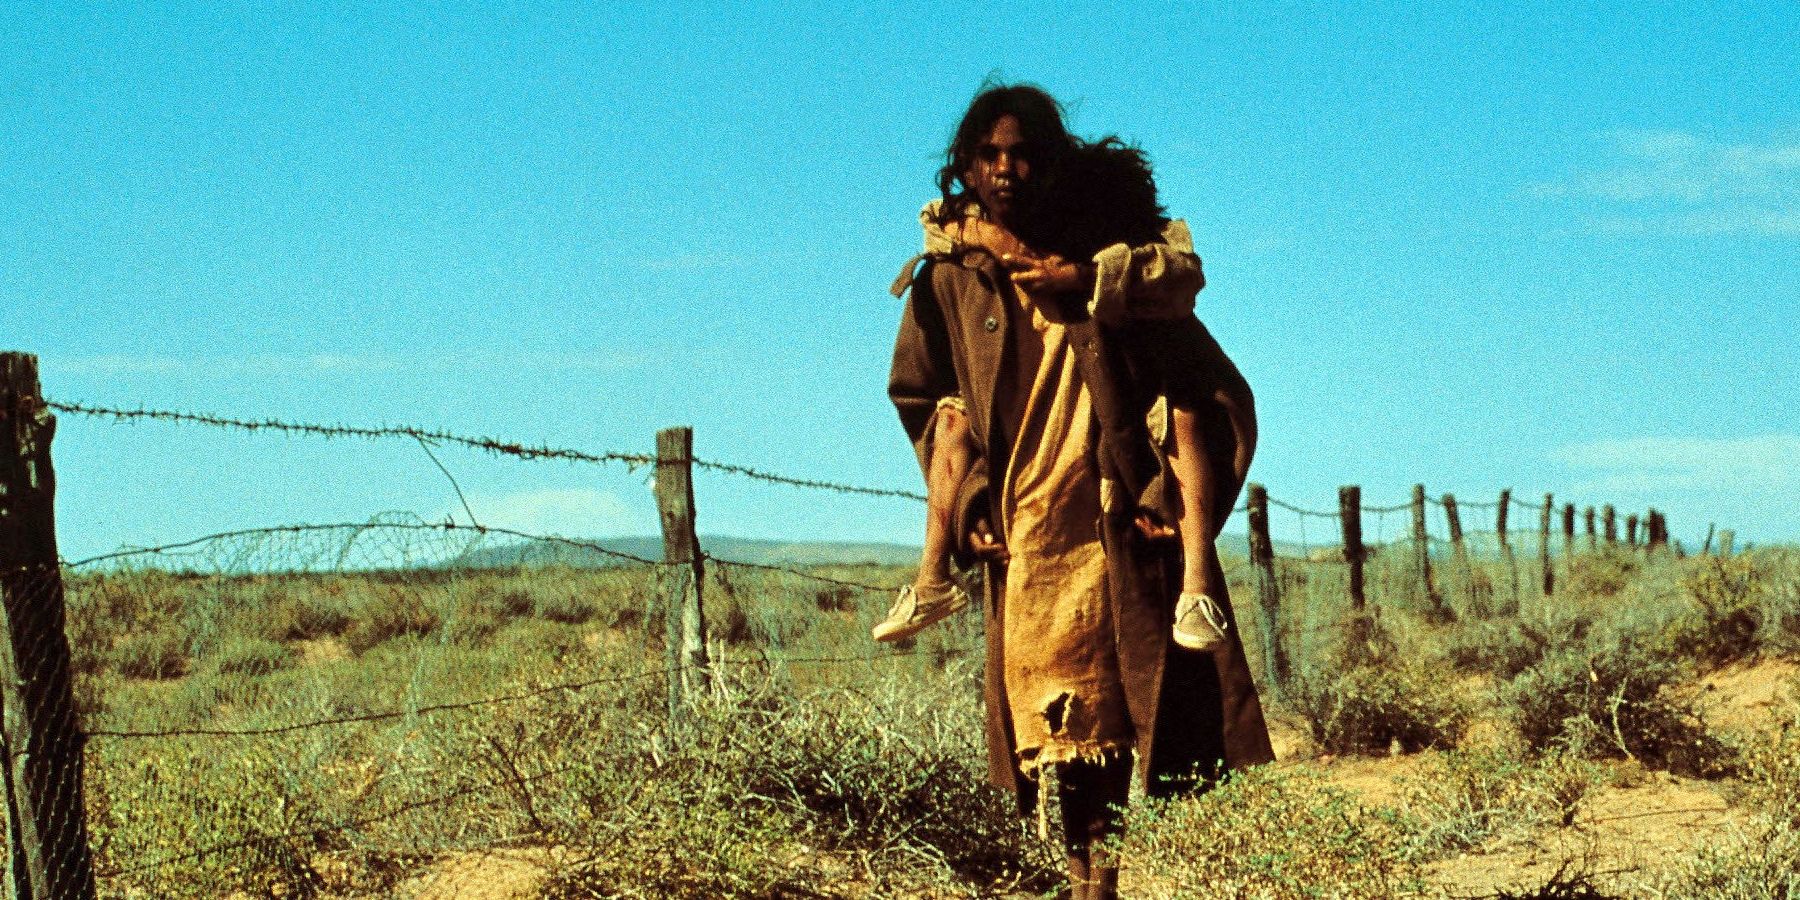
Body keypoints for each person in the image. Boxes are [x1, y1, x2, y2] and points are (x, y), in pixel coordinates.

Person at [886, 83, 1275, 900]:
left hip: (1108, 521)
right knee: (1053, 734)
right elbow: (928, 400)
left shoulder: (1113, 262)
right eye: (989, 155)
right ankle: (1083, 882)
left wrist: (1163, 495)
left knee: (1113, 721)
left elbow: (1195, 369)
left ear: (1052, 163)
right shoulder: (950, 277)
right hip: (1027, 529)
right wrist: (971, 504)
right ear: (966, 165)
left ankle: (1101, 885)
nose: (1006, 170)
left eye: (1023, 153)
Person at [874, 141, 1234, 656]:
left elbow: (1178, 282)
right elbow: (941, 226)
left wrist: (1085, 277)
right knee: (952, 417)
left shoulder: (1137, 270)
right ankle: (933, 577)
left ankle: (1196, 587)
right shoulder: (971, 274)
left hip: (1123, 472)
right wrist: (971, 506)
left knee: (1185, 414)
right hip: (1030, 507)